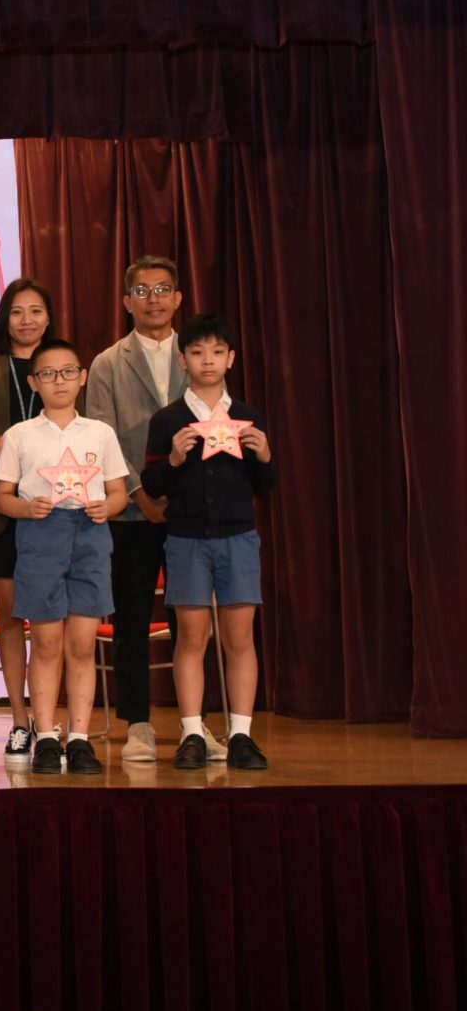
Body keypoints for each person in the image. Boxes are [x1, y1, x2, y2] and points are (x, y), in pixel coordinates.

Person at [86, 256, 226, 762]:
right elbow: (101, 437)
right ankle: (138, 724)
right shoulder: (107, 363)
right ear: (127, 301)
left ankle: (196, 723)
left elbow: (217, 425)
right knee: (130, 618)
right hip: (130, 512)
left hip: (190, 510)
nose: (153, 300)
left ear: (178, 298)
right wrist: (140, 495)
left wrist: (176, 493)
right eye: (142, 291)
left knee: (193, 620)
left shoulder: (197, 356)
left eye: (163, 289)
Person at [140, 314, 276, 771]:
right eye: (197, 352)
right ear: (183, 360)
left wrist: (265, 455)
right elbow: (152, 484)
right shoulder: (168, 420)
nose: (207, 361)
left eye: (217, 352)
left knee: (240, 637)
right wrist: (175, 459)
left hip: (239, 537)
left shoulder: (248, 416)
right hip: (186, 540)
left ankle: (241, 734)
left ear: (231, 358)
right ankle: (192, 733)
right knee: (192, 637)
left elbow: (266, 485)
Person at [0, 338, 130, 774]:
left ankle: (81, 738)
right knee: (46, 642)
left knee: (82, 644)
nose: (59, 381)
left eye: (68, 371)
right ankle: (47, 737)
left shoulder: (100, 433)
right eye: (48, 374)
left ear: (82, 377)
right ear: (34, 382)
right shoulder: (20, 435)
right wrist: (26, 508)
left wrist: (109, 507)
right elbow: (0, 498)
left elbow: (119, 491)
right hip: (40, 535)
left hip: (90, 535)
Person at [0, 278, 56, 762]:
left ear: (48, 318)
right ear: (5, 319)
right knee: (10, 618)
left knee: (49, 621)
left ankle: (48, 721)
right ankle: (20, 720)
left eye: (35, 311)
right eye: (17, 312)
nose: (26, 320)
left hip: (55, 511)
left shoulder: (61, 366)